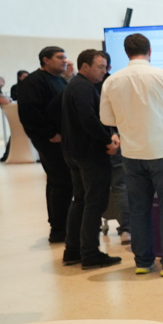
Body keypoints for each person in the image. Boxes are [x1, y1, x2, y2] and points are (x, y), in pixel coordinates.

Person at [100, 33, 163, 276]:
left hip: (132, 153)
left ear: (126, 52)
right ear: (150, 51)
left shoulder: (112, 81)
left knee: (138, 209)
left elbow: (106, 119)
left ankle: (143, 262)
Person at [61, 50, 122, 270]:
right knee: (94, 203)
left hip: (75, 152)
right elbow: (89, 119)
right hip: (90, 154)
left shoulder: (74, 85)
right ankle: (90, 254)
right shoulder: (84, 87)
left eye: (105, 67)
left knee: (80, 201)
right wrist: (108, 141)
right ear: (85, 66)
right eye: (100, 67)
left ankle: (73, 251)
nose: (104, 71)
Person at [18, 47, 71, 243]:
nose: (65, 60)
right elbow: (29, 113)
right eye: (60, 57)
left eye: (65, 57)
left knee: (60, 182)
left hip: (62, 139)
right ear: (46, 60)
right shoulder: (33, 82)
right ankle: (59, 230)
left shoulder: (60, 80)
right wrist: (50, 134)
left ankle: (62, 224)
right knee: (61, 181)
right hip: (50, 141)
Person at [97, 51, 130, 245]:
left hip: (115, 141)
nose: (102, 71)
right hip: (122, 141)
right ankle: (128, 228)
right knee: (123, 186)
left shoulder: (108, 83)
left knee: (120, 186)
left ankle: (127, 229)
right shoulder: (115, 83)